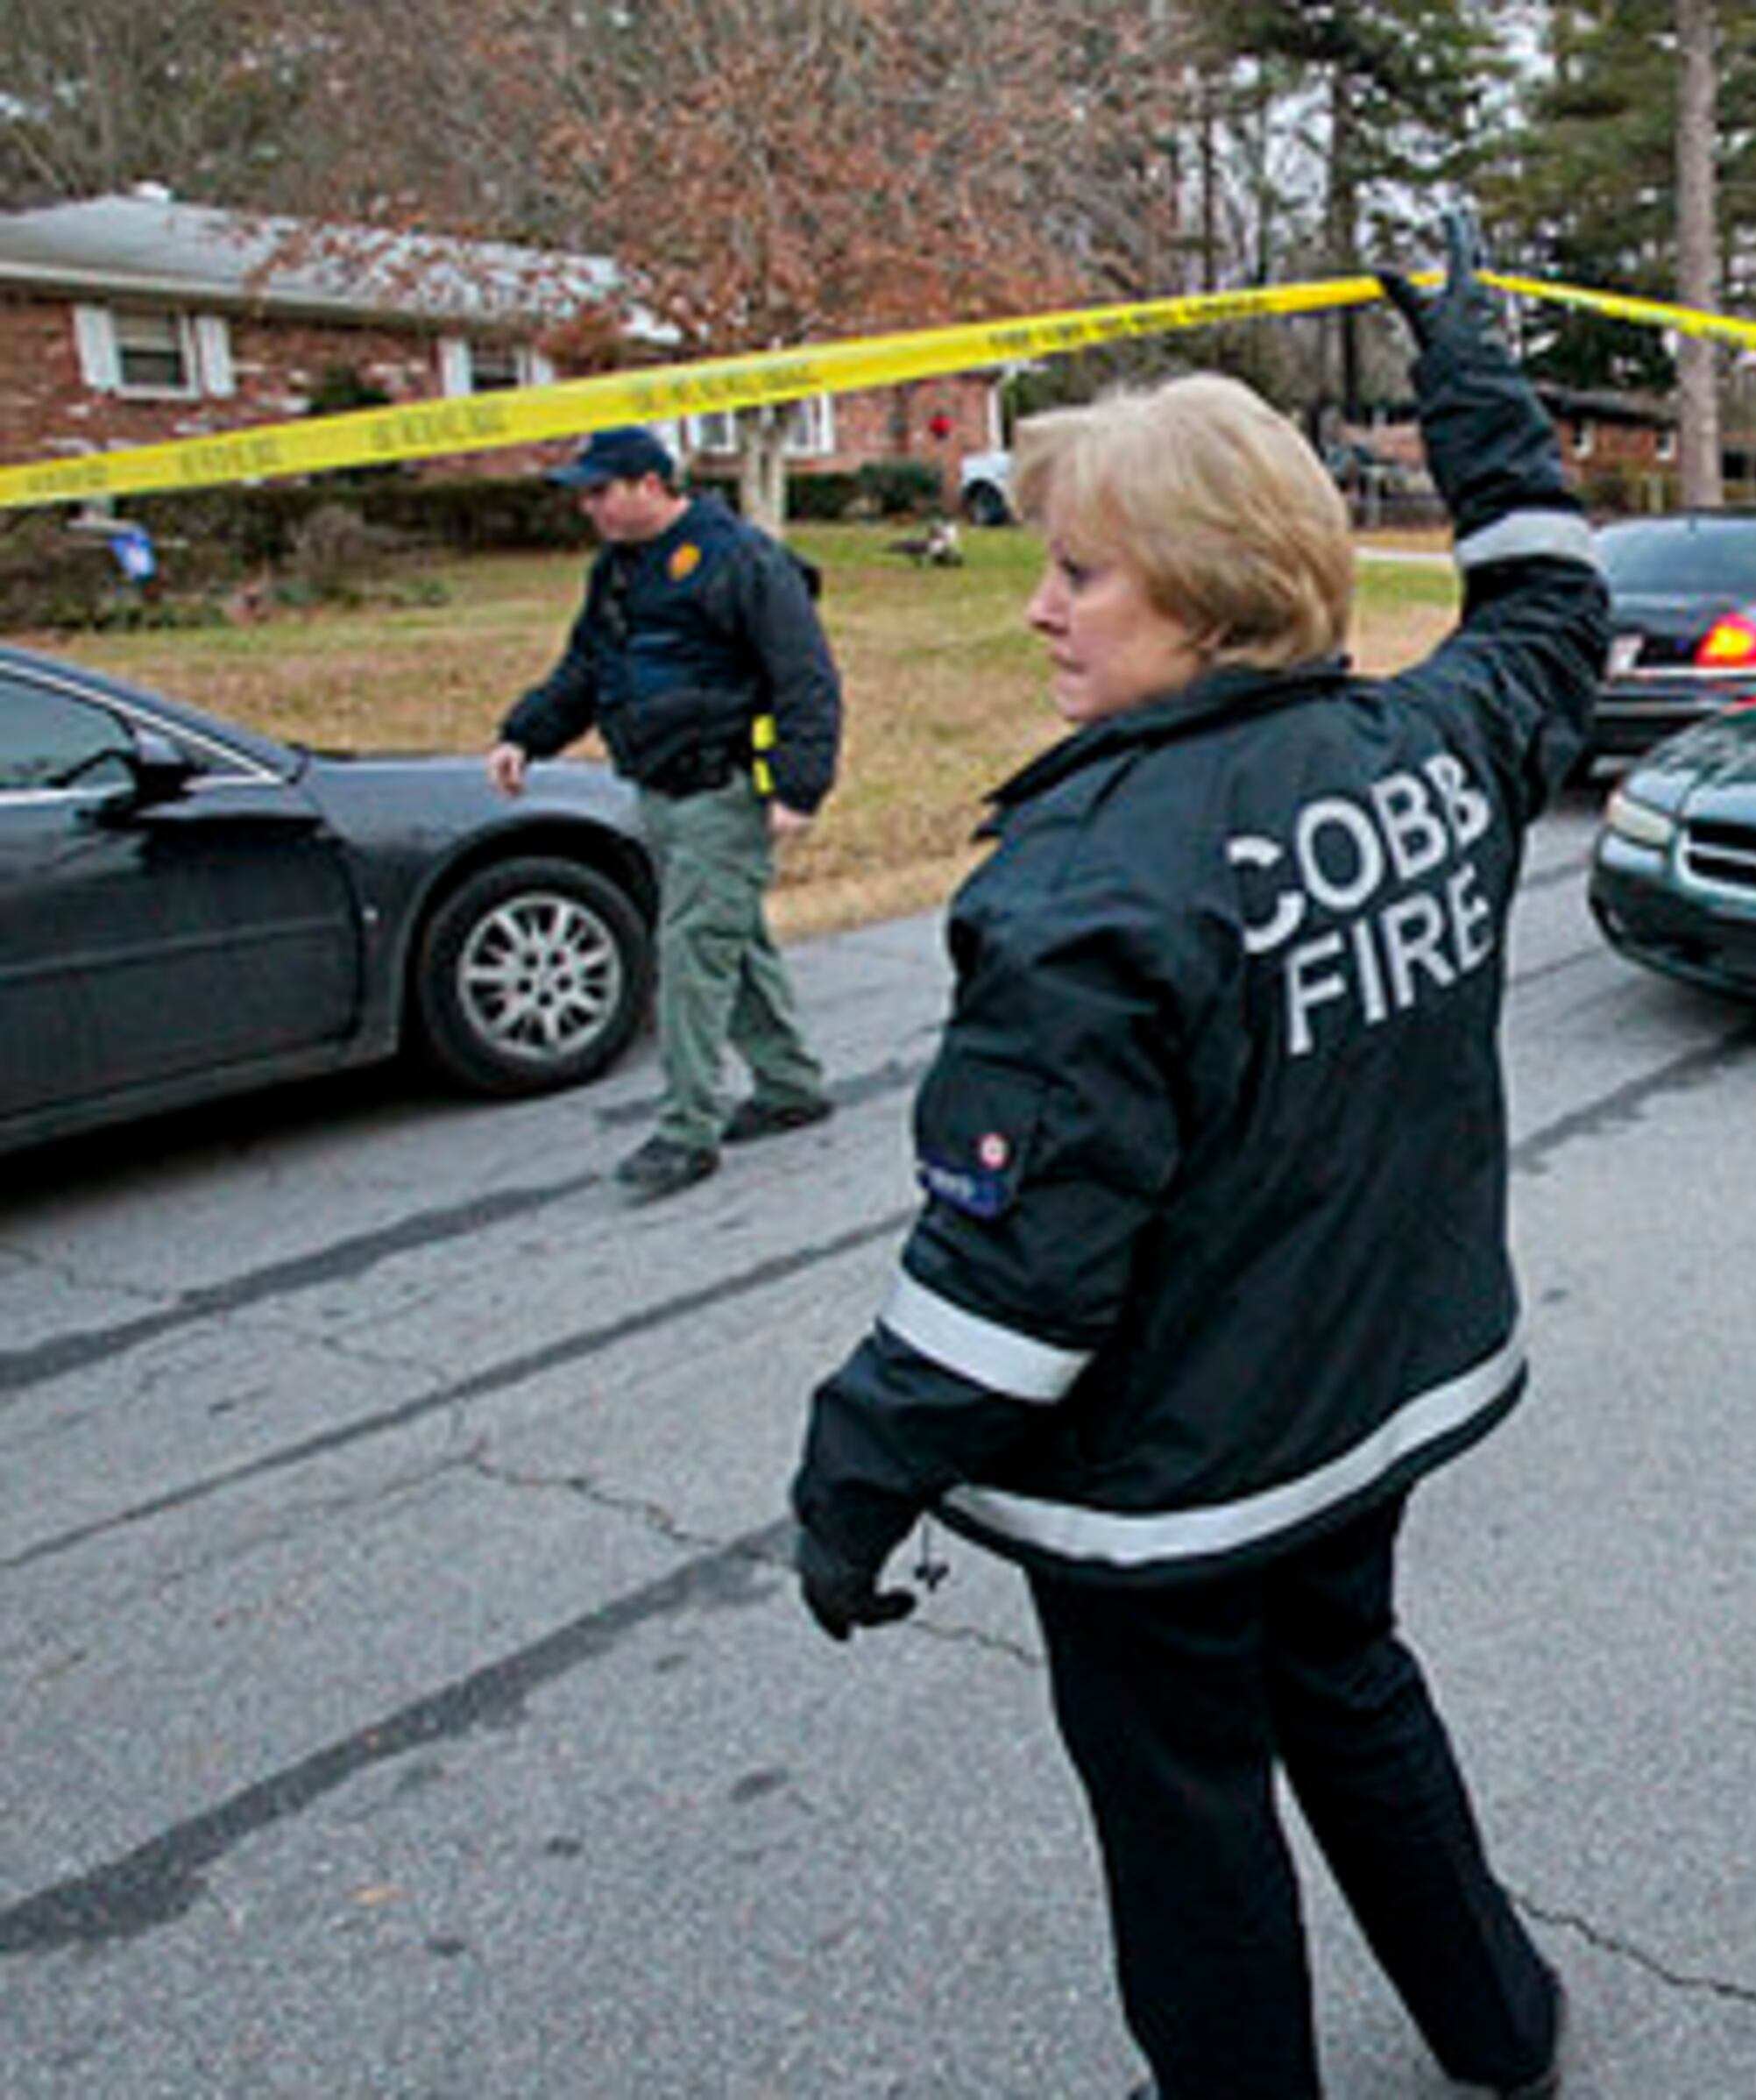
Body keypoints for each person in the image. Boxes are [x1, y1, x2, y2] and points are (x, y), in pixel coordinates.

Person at [787, 210, 1597, 2100]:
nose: (1040, 608)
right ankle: (1504, 2026)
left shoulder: (1087, 888)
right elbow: (1550, 603)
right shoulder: (1437, 746)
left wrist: (852, 1484)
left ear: (1217, 597)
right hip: (1367, 1397)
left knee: (1189, 1817)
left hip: (1171, 1483)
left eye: (1083, 572)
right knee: (1352, 1685)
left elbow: (1012, 1284)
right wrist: (1470, 371)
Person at [491, 424, 839, 1199]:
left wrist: (798, 786)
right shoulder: (617, 570)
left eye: (600, 491)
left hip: (723, 790)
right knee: (731, 940)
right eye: (583, 494)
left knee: (690, 955)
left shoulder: (740, 559)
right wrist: (525, 734)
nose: (588, 507)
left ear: (652, 485)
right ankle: (790, 1084)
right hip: (658, 788)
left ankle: (687, 1131)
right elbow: (587, 668)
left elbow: (805, 677)